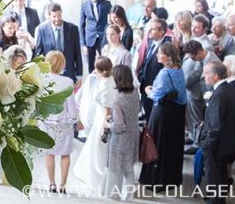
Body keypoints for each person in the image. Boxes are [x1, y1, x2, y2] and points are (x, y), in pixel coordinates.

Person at [139, 42, 187, 189]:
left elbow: (155, 95)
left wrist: (147, 90)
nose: (157, 55)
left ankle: (156, 179)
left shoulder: (164, 73)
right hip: (177, 111)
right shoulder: (179, 70)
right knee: (173, 144)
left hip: (163, 112)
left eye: (160, 53)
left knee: (157, 143)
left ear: (168, 56)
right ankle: (171, 178)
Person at [74, 56, 116, 195]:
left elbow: (108, 109)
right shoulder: (108, 80)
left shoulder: (105, 84)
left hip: (102, 119)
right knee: (94, 147)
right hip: (100, 115)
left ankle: (98, 181)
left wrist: (104, 127)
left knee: (99, 149)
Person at [199, 61, 235, 204]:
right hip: (225, 141)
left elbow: (215, 125)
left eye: (207, 73)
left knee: (213, 175)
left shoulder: (219, 94)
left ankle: (215, 201)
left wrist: (208, 144)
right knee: (221, 174)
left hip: (216, 144)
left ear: (215, 76)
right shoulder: (228, 89)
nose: (204, 76)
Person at [40, 51, 78, 194]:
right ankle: (62, 185)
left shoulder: (43, 79)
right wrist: (76, 121)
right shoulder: (68, 81)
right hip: (64, 123)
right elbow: (71, 105)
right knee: (65, 154)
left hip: (46, 122)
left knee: (49, 153)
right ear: (62, 64)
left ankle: (51, 184)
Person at [103, 65, 140, 201]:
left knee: (116, 168)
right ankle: (129, 196)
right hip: (133, 135)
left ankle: (114, 195)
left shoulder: (117, 98)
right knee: (129, 168)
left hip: (120, 140)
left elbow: (119, 126)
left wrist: (108, 124)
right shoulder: (135, 92)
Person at [182, 40, 220, 155]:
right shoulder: (200, 60)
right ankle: (194, 137)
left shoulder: (213, 62)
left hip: (206, 96)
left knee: (200, 120)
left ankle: (197, 143)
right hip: (196, 94)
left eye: (193, 57)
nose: (193, 60)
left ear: (199, 52)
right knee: (194, 119)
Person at [35, 3, 83, 82]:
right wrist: (41, 74)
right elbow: (39, 55)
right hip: (49, 75)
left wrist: (79, 75)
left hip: (69, 74)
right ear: (49, 16)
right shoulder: (42, 30)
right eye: (54, 16)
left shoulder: (73, 29)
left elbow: (77, 53)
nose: (57, 19)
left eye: (59, 16)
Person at [136, 19, 169, 122]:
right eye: (149, 28)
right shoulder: (150, 43)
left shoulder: (166, 47)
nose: (149, 31)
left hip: (156, 90)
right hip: (145, 87)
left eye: (153, 29)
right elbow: (145, 62)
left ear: (161, 32)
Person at [79, 0, 112, 73]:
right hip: (90, 39)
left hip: (103, 37)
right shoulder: (84, 6)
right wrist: (83, 44)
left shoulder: (106, 4)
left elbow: (112, 19)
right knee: (90, 65)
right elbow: (81, 25)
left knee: (105, 61)